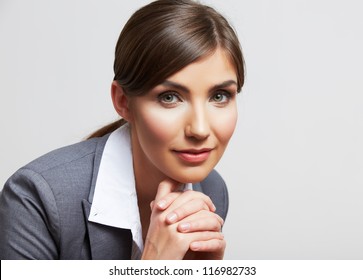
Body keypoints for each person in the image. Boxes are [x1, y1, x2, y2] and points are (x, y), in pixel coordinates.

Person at [0, 0, 244, 260]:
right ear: (123, 102)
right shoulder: (36, 198)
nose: (199, 128)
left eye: (219, 96)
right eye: (170, 97)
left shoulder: (211, 189)